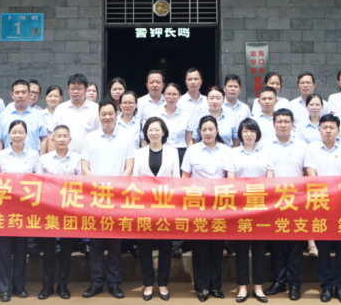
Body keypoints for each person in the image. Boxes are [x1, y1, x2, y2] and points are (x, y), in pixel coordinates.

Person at [81, 100, 135, 299]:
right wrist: (98, 189)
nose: (107, 117)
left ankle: (114, 283)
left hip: (117, 198)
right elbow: (84, 168)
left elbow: (129, 167)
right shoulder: (90, 138)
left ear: (116, 115)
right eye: (103, 113)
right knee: (95, 244)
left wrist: (115, 190)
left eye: (110, 113)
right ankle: (96, 283)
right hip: (95, 197)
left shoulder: (127, 138)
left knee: (115, 244)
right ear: (99, 116)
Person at [304, 114, 341, 304]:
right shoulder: (312, 148)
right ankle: (326, 287)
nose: (328, 131)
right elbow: (311, 176)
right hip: (321, 205)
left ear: (338, 130)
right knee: (323, 249)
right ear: (319, 129)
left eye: (332, 127)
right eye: (325, 127)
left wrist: (337, 195)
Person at [182, 116, 230, 302]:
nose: (208, 133)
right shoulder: (192, 151)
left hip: (220, 204)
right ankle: (202, 287)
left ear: (217, 130)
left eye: (211, 129)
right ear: (199, 132)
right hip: (198, 204)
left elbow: (230, 177)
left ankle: (215, 286)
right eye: (204, 130)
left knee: (217, 248)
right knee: (200, 247)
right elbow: (185, 177)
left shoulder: (226, 150)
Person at [133, 116, 180, 301]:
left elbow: (176, 179)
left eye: (157, 129)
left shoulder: (173, 152)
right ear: (146, 133)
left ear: (163, 132)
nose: (153, 133)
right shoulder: (139, 153)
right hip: (145, 206)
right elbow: (135, 179)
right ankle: (148, 284)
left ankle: (163, 284)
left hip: (166, 205)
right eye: (150, 130)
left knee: (165, 246)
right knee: (145, 246)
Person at [227, 118, 273, 304]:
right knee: (241, 249)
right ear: (240, 133)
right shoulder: (233, 153)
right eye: (245, 131)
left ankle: (258, 287)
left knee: (259, 249)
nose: (248, 134)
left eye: (252, 131)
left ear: (257, 134)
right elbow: (230, 180)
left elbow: (269, 179)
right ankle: (242, 287)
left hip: (260, 206)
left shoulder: (265, 153)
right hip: (240, 207)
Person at [0, 120, 40, 302]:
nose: (17, 135)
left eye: (21, 132)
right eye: (14, 132)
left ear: (26, 135)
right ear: (9, 134)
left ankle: (20, 287)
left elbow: (39, 180)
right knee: (3, 250)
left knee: (21, 249)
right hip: (4, 209)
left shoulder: (34, 155)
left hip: (24, 210)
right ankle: (4, 288)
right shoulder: (1, 155)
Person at [263, 109, 305, 301]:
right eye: (279, 121)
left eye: (287, 121)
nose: (283, 125)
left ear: (293, 124)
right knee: (276, 245)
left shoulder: (302, 146)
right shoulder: (264, 146)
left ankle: (294, 284)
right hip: (273, 201)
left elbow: (307, 173)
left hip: (296, 201)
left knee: (295, 246)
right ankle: (279, 282)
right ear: (273, 124)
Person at [36, 125, 81, 299]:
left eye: (65, 136)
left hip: (69, 210)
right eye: (59, 136)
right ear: (52, 139)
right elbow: (39, 184)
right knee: (48, 250)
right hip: (49, 210)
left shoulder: (77, 159)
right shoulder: (44, 159)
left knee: (66, 250)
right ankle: (46, 286)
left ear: (70, 139)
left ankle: (63, 286)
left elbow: (81, 185)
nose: (62, 139)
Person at [0, 80, 49, 153]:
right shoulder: (4, 116)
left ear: (29, 94)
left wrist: (41, 158)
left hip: (31, 158)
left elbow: (44, 139)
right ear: (12, 95)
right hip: (9, 158)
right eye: (17, 92)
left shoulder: (38, 114)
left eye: (23, 92)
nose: (20, 95)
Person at [51, 73, 99, 157]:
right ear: (68, 89)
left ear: (86, 89)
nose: (75, 91)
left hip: (91, 157)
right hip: (65, 158)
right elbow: (52, 135)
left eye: (79, 88)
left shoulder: (96, 109)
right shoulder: (60, 109)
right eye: (72, 88)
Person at [157, 83, 192, 164]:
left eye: (174, 94)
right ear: (163, 95)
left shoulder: (185, 115)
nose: (171, 97)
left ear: (179, 96)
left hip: (181, 152)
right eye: (168, 94)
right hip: (161, 151)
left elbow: (189, 140)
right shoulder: (156, 115)